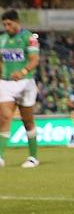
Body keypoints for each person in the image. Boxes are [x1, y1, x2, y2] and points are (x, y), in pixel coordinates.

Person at [0, 9, 40, 168]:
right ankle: (1, 157)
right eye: (4, 24)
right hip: (6, 83)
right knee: (4, 118)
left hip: (26, 82)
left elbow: (34, 59)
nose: (6, 27)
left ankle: (33, 157)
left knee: (27, 121)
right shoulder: (2, 39)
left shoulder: (28, 38)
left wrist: (23, 71)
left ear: (17, 22)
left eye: (9, 24)